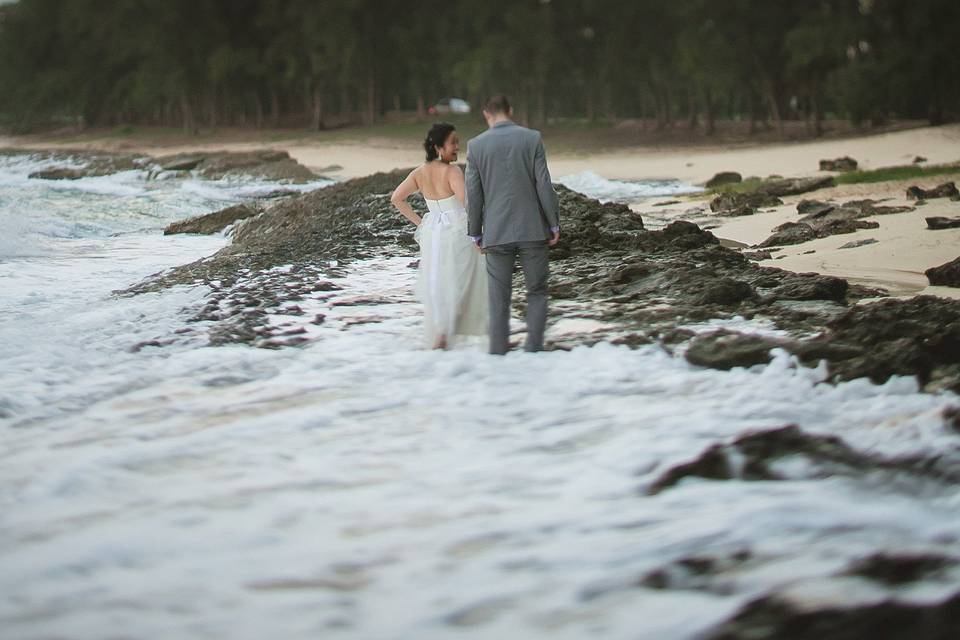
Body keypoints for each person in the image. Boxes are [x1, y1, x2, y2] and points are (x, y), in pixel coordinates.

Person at [465, 94, 561, 355]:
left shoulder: (476, 145)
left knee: (498, 299)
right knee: (537, 291)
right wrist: (553, 224)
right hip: (533, 229)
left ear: (486, 114)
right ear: (510, 110)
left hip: (496, 233)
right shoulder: (532, 138)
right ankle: (533, 351)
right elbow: (544, 184)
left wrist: (475, 232)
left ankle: (497, 354)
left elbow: (474, 194)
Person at [391, 123, 488, 349]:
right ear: (437, 147)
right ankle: (449, 333)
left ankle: (442, 333)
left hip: (433, 232)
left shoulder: (419, 172)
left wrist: (422, 223)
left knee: (439, 281)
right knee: (462, 280)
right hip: (457, 230)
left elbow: (397, 198)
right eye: (452, 142)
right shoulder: (452, 172)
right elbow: (468, 204)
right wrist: (480, 233)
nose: (457, 146)